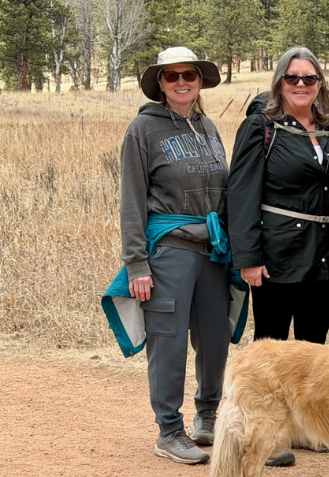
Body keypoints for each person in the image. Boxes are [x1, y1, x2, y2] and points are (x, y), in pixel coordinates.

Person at [227, 46, 329, 467]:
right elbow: (241, 193)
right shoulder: (261, 127)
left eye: (309, 78)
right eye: (292, 78)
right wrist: (247, 257)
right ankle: (266, 430)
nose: (300, 85)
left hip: (325, 255)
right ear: (279, 81)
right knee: (271, 349)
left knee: (314, 348)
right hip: (275, 253)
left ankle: (305, 428)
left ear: (320, 84)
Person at [118, 47, 230, 464]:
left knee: (215, 339)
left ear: (200, 80)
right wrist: (136, 263)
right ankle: (168, 431)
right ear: (160, 84)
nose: (182, 82)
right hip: (169, 250)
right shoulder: (143, 130)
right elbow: (131, 199)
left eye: (190, 75)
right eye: (172, 76)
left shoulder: (208, 127)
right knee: (168, 344)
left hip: (212, 251)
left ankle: (207, 418)